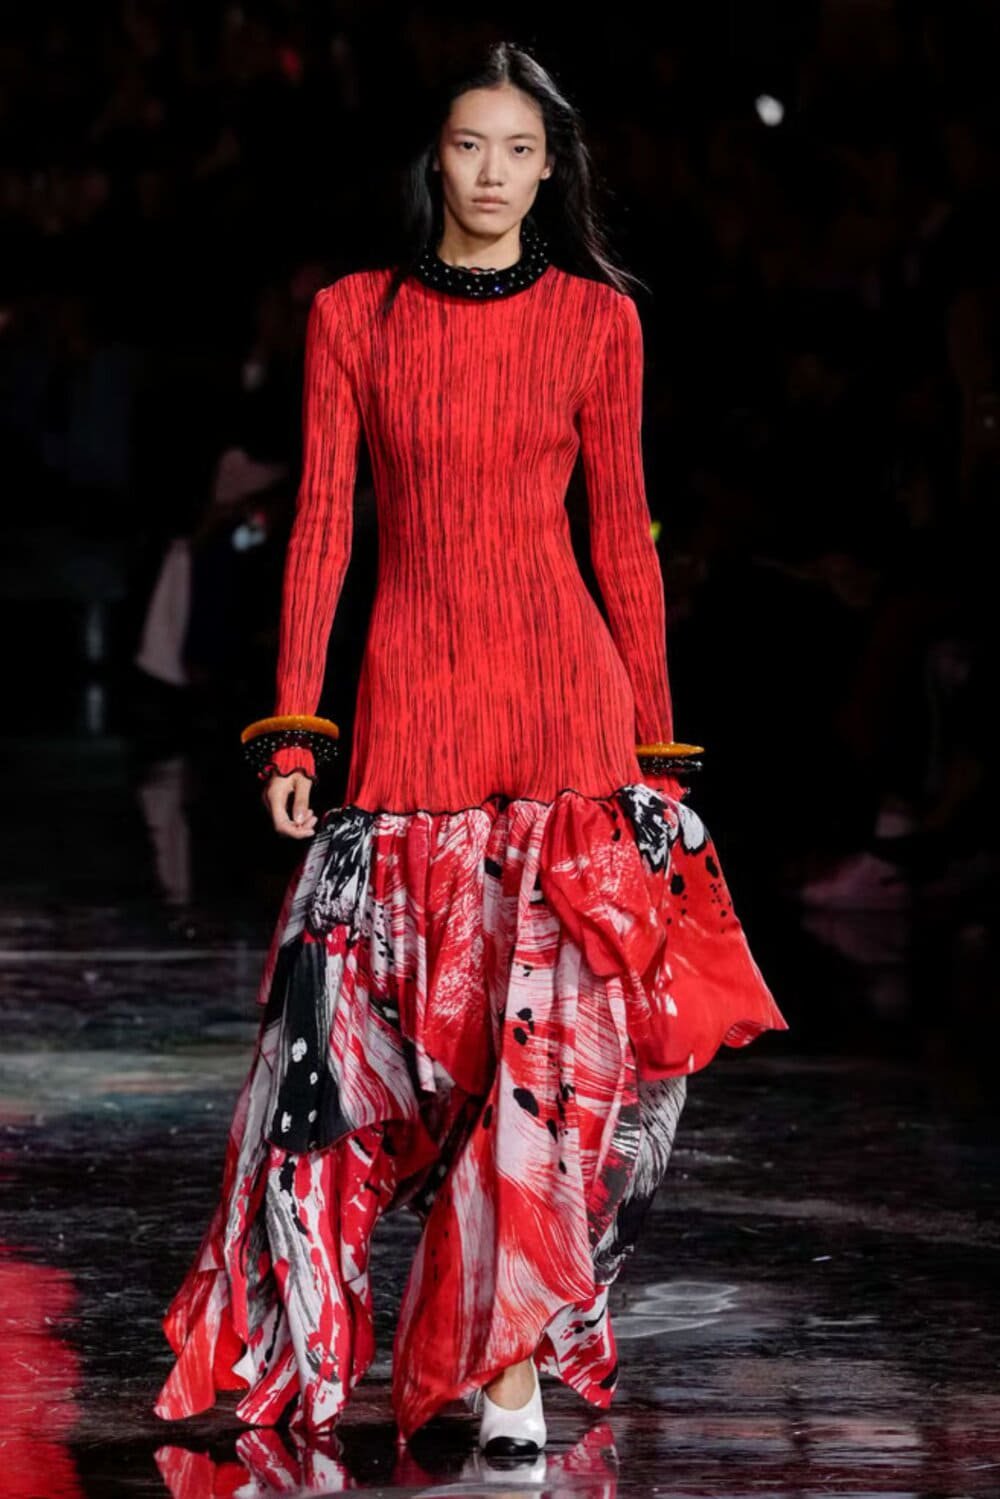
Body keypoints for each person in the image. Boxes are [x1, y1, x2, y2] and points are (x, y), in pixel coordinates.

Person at [152, 40, 788, 1459]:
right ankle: (355, 1341)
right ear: (433, 158)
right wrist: (294, 727)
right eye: (468, 145)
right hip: (411, 713)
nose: (492, 173)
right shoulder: (353, 317)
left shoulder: (598, 322)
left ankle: (508, 1373)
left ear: (550, 170)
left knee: (545, 1053)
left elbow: (623, 537)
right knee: (388, 1052)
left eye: (519, 150)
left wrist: (657, 751)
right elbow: (324, 526)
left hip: (566, 706)